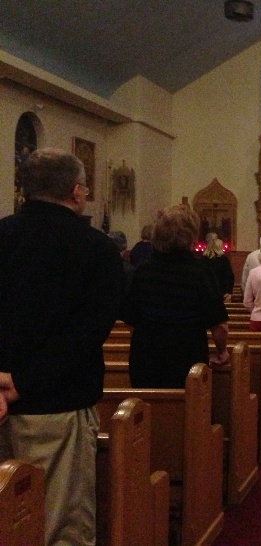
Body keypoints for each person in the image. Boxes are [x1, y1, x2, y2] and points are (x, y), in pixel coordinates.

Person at [0, 147, 123, 545]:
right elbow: (87, 333)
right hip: (59, 407)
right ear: (76, 192)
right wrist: (25, 382)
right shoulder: (97, 249)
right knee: (61, 524)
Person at [122, 205, 229, 388]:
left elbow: (131, 319)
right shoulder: (201, 273)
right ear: (191, 236)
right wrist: (222, 352)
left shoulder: (141, 272)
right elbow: (218, 325)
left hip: (146, 361)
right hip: (188, 361)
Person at [201, 232, 235, 303]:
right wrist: (229, 292)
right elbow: (229, 277)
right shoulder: (223, 260)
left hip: (205, 294)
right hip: (221, 293)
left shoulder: (202, 260)